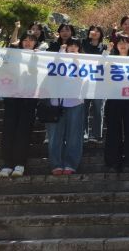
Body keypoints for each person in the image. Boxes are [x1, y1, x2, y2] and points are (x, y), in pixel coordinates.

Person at [0, 32, 39, 177]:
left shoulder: (39, 56)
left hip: (29, 99)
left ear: (35, 43)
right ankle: (7, 164)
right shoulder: (13, 55)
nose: (28, 42)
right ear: (21, 42)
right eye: (25, 40)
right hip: (12, 97)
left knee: (24, 131)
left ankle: (20, 164)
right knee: (8, 130)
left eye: (31, 40)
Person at [46, 38, 85, 175]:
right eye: (70, 45)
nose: (73, 48)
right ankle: (56, 164)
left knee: (74, 135)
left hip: (76, 102)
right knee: (55, 135)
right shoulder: (58, 58)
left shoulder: (86, 60)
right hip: (56, 102)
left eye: (76, 45)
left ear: (79, 48)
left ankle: (70, 164)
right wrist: (60, 53)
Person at [104, 33, 129, 172]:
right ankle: (113, 161)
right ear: (116, 46)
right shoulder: (111, 60)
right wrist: (107, 51)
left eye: (126, 42)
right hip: (113, 99)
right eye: (120, 42)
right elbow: (100, 65)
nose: (123, 45)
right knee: (113, 131)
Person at [82, 25, 108, 143]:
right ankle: (84, 133)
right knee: (84, 109)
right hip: (84, 81)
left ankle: (97, 135)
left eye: (98, 31)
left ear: (101, 34)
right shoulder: (83, 44)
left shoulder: (104, 46)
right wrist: (88, 39)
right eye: (93, 30)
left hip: (99, 82)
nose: (95, 33)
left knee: (98, 109)